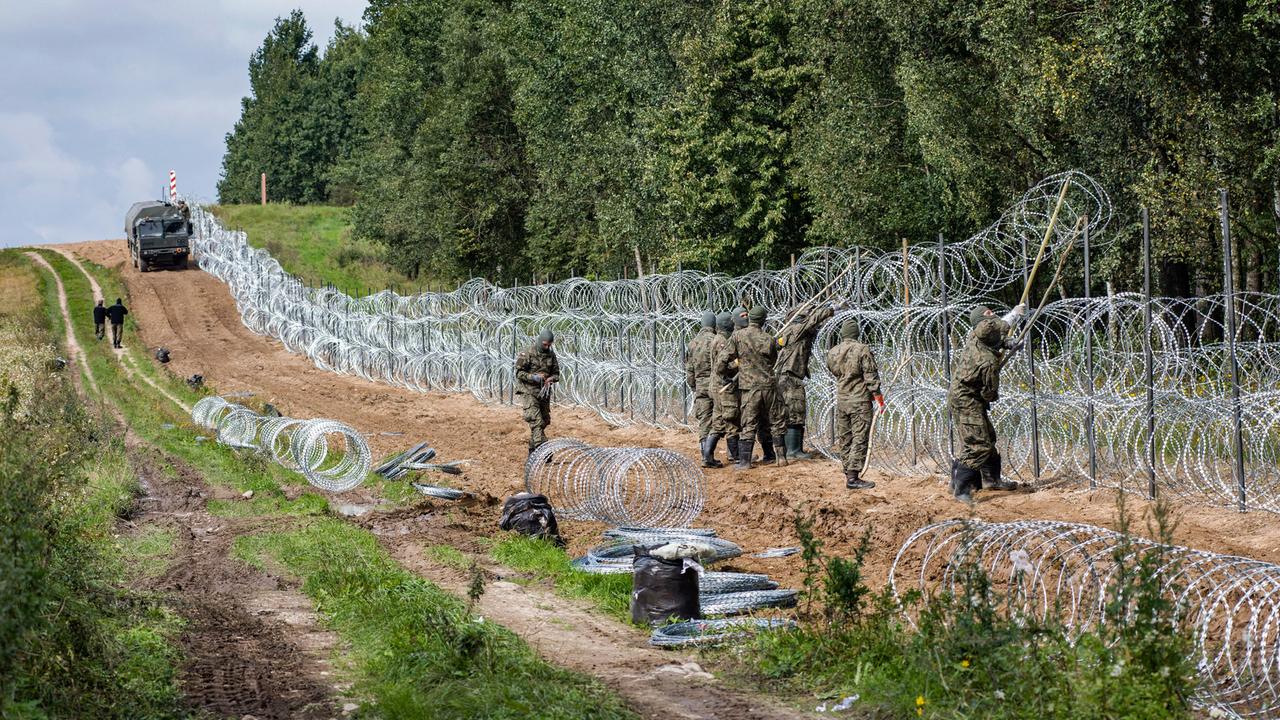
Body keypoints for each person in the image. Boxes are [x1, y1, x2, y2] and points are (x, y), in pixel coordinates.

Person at [947, 304, 1025, 503]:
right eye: (989, 315)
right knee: (978, 443)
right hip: (967, 399)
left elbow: (992, 337)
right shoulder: (989, 362)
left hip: (964, 396)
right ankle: (961, 488)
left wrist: (1008, 343)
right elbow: (990, 393)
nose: (993, 315)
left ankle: (991, 480)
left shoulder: (975, 336)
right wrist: (1014, 315)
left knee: (986, 436)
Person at [716, 305, 779, 470]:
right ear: (764, 320)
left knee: (749, 422)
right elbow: (773, 360)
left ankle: (744, 462)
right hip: (768, 386)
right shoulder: (769, 338)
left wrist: (724, 373)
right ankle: (773, 456)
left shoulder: (738, 336)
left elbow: (723, 359)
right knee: (771, 421)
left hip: (749, 388)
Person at [771, 303, 837, 460]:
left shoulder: (793, 331)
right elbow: (813, 320)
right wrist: (832, 310)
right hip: (790, 378)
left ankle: (792, 449)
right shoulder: (796, 329)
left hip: (787, 376)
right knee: (795, 412)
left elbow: (814, 327)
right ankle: (793, 451)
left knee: (792, 412)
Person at [826, 320, 883, 489]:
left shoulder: (833, 351)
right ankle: (853, 478)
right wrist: (878, 396)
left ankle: (848, 472)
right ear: (856, 333)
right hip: (859, 400)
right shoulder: (862, 349)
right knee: (859, 437)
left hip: (842, 400)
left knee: (845, 438)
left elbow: (832, 370)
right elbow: (870, 375)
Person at [685, 312, 723, 468]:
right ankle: (717, 453)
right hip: (716, 383)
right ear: (714, 325)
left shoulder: (693, 343)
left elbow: (689, 369)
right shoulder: (716, 340)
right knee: (720, 416)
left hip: (700, 384)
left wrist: (694, 386)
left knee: (704, 419)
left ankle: (705, 454)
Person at [515, 328, 561, 454]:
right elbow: (519, 373)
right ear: (540, 341)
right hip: (528, 391)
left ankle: (532, 449)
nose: (546, 347)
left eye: (549, 345)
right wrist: (533, 377)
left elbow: (556, 373)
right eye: (545, 344)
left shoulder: (551, 355)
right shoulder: (527, 353)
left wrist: (551, 378)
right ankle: (543, 450)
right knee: (536, 421)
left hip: (543, 392)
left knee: (544, 421)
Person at [710, 311, 738, 462]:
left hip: (717, 385)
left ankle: (708, 456)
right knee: (730, 418)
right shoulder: (722, 342)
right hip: (723, 386)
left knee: (720, 420)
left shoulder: (718, 338)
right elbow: (722, 366)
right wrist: (738, 364)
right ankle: (735, 455)